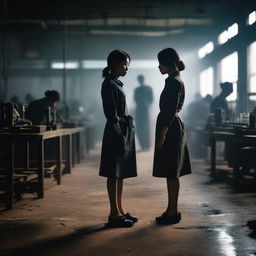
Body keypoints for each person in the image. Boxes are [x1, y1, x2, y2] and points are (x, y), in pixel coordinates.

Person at [153, 48, 192, 225]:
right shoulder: (175, 79)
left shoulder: (173, 82)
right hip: (174, 125)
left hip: (170, 127)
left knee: (171, 171)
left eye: (160, 63)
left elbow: (169, 111)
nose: (158, 66)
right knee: (171, 171)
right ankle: (171, 210)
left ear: (168, 63)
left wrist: (162, 135)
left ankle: (172, 212)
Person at [99, 49, 137, 228]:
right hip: (116, 131)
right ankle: (113, 214)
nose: (127, 68)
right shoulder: (108, 84)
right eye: (124, 65)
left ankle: (120, 211)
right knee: (113, 173)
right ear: (114, 64)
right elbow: (111, 114)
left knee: (120, 173)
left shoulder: (117, 83)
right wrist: (120, 134)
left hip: (122, 129)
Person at [134, 74, 154, 151]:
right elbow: (136, 100)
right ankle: (144, 145)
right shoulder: (138, 90)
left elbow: (151, 99)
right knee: (141, 127)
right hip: (141, 110)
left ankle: (146, 145)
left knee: (146, 128)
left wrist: (146, 106)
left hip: (145, 110)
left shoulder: (147, 89)